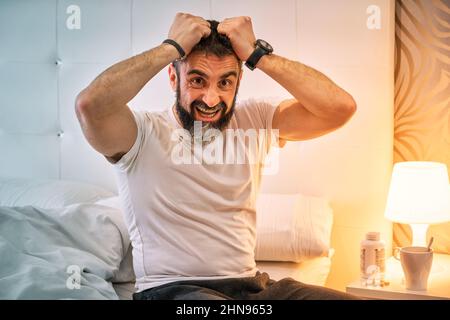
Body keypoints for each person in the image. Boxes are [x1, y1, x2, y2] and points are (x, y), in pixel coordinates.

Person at [76, 13, 358, 300]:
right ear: (173, 77)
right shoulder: (141, 134)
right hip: (172, 290)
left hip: (253, 288)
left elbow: (340, 108)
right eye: (198, 80)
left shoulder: (256, 118)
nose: (211, 100)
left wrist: (257, 54)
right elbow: (90, 105)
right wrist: (171, 47)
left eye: (225, 83)